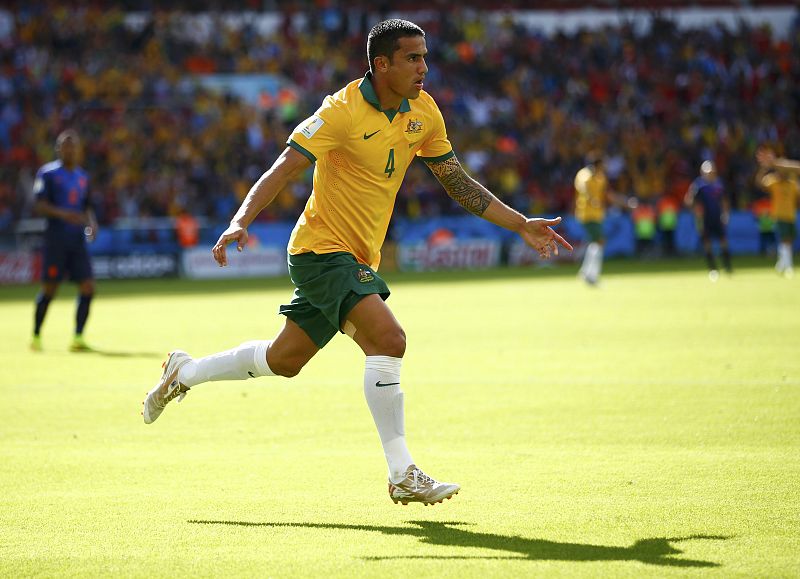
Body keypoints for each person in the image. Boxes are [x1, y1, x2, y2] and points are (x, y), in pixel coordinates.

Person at [142, 19, 572, 506]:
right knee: (389, 339)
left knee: (284, 361)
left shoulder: (424, 113)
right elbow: (284, 166)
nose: (423, 68)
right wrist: (240, 220)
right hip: (320, 250)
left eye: (425, 57)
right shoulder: (340, 111)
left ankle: (185, 372)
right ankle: (402, 473)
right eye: (412, 58)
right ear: (381, 63)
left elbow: (457, 182)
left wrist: (519, 224)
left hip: (354, 256)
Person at [31, 130, 98, 352]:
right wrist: (65, 214)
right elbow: (39, 205)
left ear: (78, 150)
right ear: (58, 148)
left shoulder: (83, 177)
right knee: (49, 290)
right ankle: (36, 334)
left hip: (76, 241)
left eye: (73, 145)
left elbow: (87, 206)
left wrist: (92, 223)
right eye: (65, 145)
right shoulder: (47, 174)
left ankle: (78, 337)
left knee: (88, 287)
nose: (69, 149)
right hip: (56, 240)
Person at [684, 160, 732, 281]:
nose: (710, 174)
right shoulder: (699, 185)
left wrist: (726, 214)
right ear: (702, 172)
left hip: (717, 217)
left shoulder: (719, 184)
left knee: (723, 242)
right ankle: (713, 269)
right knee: (707, 244)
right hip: (705, 219)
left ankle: (727, 266)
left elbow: (725, 200)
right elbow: (689, 201)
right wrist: (696, 212)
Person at [756, 148, 800, 277]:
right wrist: (764, 168)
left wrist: (773, 162)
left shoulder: (792, 183)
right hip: (779, 215)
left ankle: (782, 263)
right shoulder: (773, 181)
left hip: (791, 215)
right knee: (785, 239)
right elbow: (759, 183)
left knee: (788, 240)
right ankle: (788, 265)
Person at [574, 153, 610, 285]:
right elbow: (584, 189)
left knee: (594, 243)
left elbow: (605, 194)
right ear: (597, 165)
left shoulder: (601, 178)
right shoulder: (584, 175)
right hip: (587, 214)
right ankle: (592, 276)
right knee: (599, 241)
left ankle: (586, 272)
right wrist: (591, 199)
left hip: (597, 214)